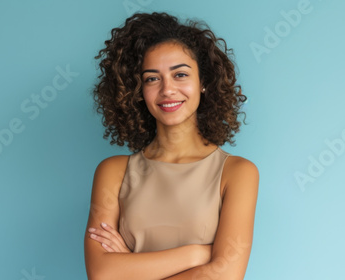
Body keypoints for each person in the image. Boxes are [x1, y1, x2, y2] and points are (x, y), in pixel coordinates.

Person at [84, 12, 259, 280]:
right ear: (138, 90)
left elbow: (225, 276)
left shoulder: (238, 172)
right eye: (152, 78)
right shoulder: (113, 172)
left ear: (204, 82)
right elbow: (102, 274)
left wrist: (130, 267)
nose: (167, 89)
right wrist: (199, 254)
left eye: (180, 74)